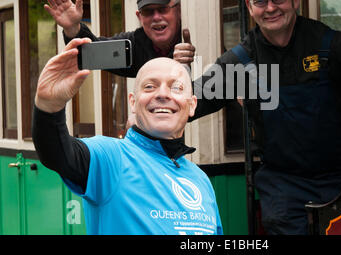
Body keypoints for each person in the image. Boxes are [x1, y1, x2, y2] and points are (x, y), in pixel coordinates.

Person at [174, 0, 341, 234]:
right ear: (249, 5)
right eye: (261, 1)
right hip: (284, 188)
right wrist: (174, 73)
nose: (270, 8)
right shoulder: (240, 61)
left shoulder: (329, 44)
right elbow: (186, 104)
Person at [31, 38, 223, 235]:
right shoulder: (111, 158)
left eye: (176, 88)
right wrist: (49, 106)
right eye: (150, 86)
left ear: (192, 105)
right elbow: (57, 153)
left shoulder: (201, 180)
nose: (163, 94)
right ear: (133, 102)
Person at [44, 0, 196, 77]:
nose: (156, 17)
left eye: (163, 9)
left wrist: (189, 64)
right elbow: (90, 54)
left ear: (179, 10)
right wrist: (72, 28)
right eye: (148, 12)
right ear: (139, 17)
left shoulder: (200, 34)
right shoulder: (133, 44)